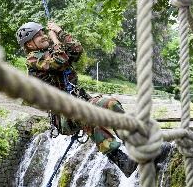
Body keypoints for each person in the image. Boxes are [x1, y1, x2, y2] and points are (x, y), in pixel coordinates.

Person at [16, 21, 171, 177]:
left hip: (79, 103)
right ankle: (124, 159)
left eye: (43, 33)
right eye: (38, 35)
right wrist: (56, 41)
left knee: (111, 104)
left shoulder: (53, 50)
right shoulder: (33, 60)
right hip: (63, 115)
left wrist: (60, 32)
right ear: (29, 44)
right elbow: (60, 61)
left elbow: (76, 50)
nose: (43, 36)